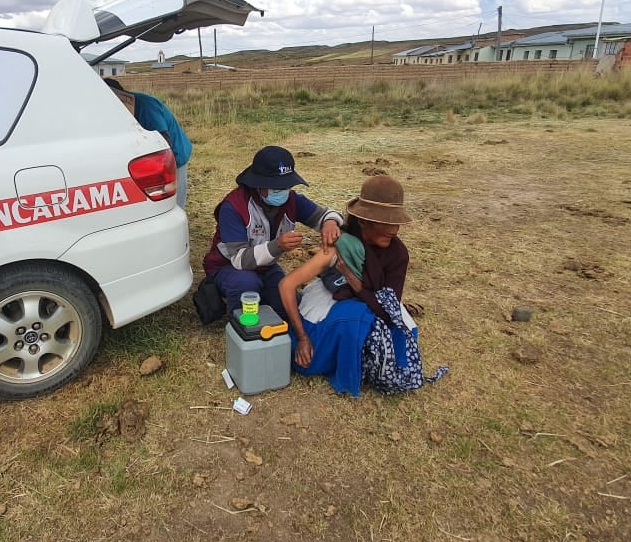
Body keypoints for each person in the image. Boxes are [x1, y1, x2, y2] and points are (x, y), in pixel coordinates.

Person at [278, 174, 446, 395]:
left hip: (373, 301)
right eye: (386, 222)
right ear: (364, 221)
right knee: (354, 317)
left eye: (396, 222)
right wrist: (302, 338)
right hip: (333, 298)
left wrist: (354, 281)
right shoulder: (342, 245)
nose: (394, 230)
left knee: (403, 332)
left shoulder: (398, 254)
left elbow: (389, 308)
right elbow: (287, 285)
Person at [201, 146, 344, 320]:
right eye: (276, 187)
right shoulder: (233, 207)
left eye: (286, 186)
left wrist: (330, 222)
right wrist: (277, 246)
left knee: (290, 308)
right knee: (246, 283)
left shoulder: (291, 200)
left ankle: (263, 297)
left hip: (265, 268)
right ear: (258, 184)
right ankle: (240, 328)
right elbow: (240, 260)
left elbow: (325, 214)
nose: (283, 191)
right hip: (227, 267)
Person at [104, 78, 192, 207]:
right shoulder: (121, 109)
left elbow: (163, 141)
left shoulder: (145, 107)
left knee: (172, 202)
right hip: (149, 158)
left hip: (175, 154)